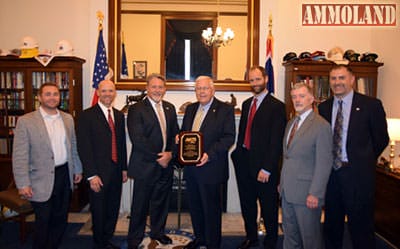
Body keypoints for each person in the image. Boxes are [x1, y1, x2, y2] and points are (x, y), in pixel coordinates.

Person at [318, 64, 389, 249]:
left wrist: (363, 160)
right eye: (333, 79)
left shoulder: (370, 105)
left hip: (358, 177)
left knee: (361, 228)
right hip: (332, 176)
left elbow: (381, 139)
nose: (337, 82)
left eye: (341, 78)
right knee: (332, 227)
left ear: (352, 79)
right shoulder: (324, 107)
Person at [12, 82, 83, 249]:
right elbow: (19, 155)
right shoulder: (26, 121)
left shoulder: (67, 119)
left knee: (60, 219)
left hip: (64, 175)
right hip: (39, 179)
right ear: (39, 97)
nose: (52, 98)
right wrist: (23, 183)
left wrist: (77, 169)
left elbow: (72, 145)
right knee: (43, 221)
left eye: (56, 94)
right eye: (48, 94)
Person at [231, 66, 286, 249]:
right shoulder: (247, 104)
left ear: (266, 79)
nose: (254, 83)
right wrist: (237, 154)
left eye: (257, 79)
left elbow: (276, 141)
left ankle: (271, 242)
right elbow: (243, 133)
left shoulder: (277, 106)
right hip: (244, 162)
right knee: (247, 205)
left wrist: (268, 168)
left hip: (264, 167)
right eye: (251, 80)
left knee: (268, 207)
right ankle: (251, 237)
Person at [180, 76, 235, 249]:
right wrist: (179, 140)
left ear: (212, 90)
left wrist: (208, 155)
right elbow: (185, 134)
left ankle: (213, 243)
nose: (201, 92)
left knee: (211, 210)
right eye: (198, 89)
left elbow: (229, 137)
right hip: (192, 169)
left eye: (205, 88)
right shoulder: (190, 109)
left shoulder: (225, 109)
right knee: (195, 208)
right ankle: (200, 238)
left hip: (211, 168)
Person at [126, 74, 179, 249]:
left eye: (160, 87)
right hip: (145, 165)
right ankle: (135, 238)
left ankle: (158, 232)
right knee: (140, 205)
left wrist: (170, 154)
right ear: (147, 88)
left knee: (161, 203)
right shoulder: (136, 109)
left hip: (166, 165)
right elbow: (138, 139)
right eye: (154, 86)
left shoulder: (170, 108)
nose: (157, 90)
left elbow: (175, 136)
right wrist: (159, 158)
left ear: (165, 89)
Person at [279, 82, 332, 249]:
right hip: (287, 191)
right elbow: (288, 157)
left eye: (302, 96)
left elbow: (324, 163)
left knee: (310, 239)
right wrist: (282, 182)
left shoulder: (321, 125)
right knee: (290, 236)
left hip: (307, 194)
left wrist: (315, 193)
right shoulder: (291, 123)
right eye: (294, 97)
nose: (297, 100)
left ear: (312, 99)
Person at [77, 80, 128, 249]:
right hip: (97, 174)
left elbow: (120, 145)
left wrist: (124, 168)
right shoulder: (86, 115)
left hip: (115, 171)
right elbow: (84, 147)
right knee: (98, 212)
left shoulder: (119, 116)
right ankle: (99, 244)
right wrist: (91, 175)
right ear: (98, 92)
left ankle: (107, 240)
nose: (108, 94)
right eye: (104, 91)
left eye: (111, 91)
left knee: (112, 210)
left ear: (115, 93)